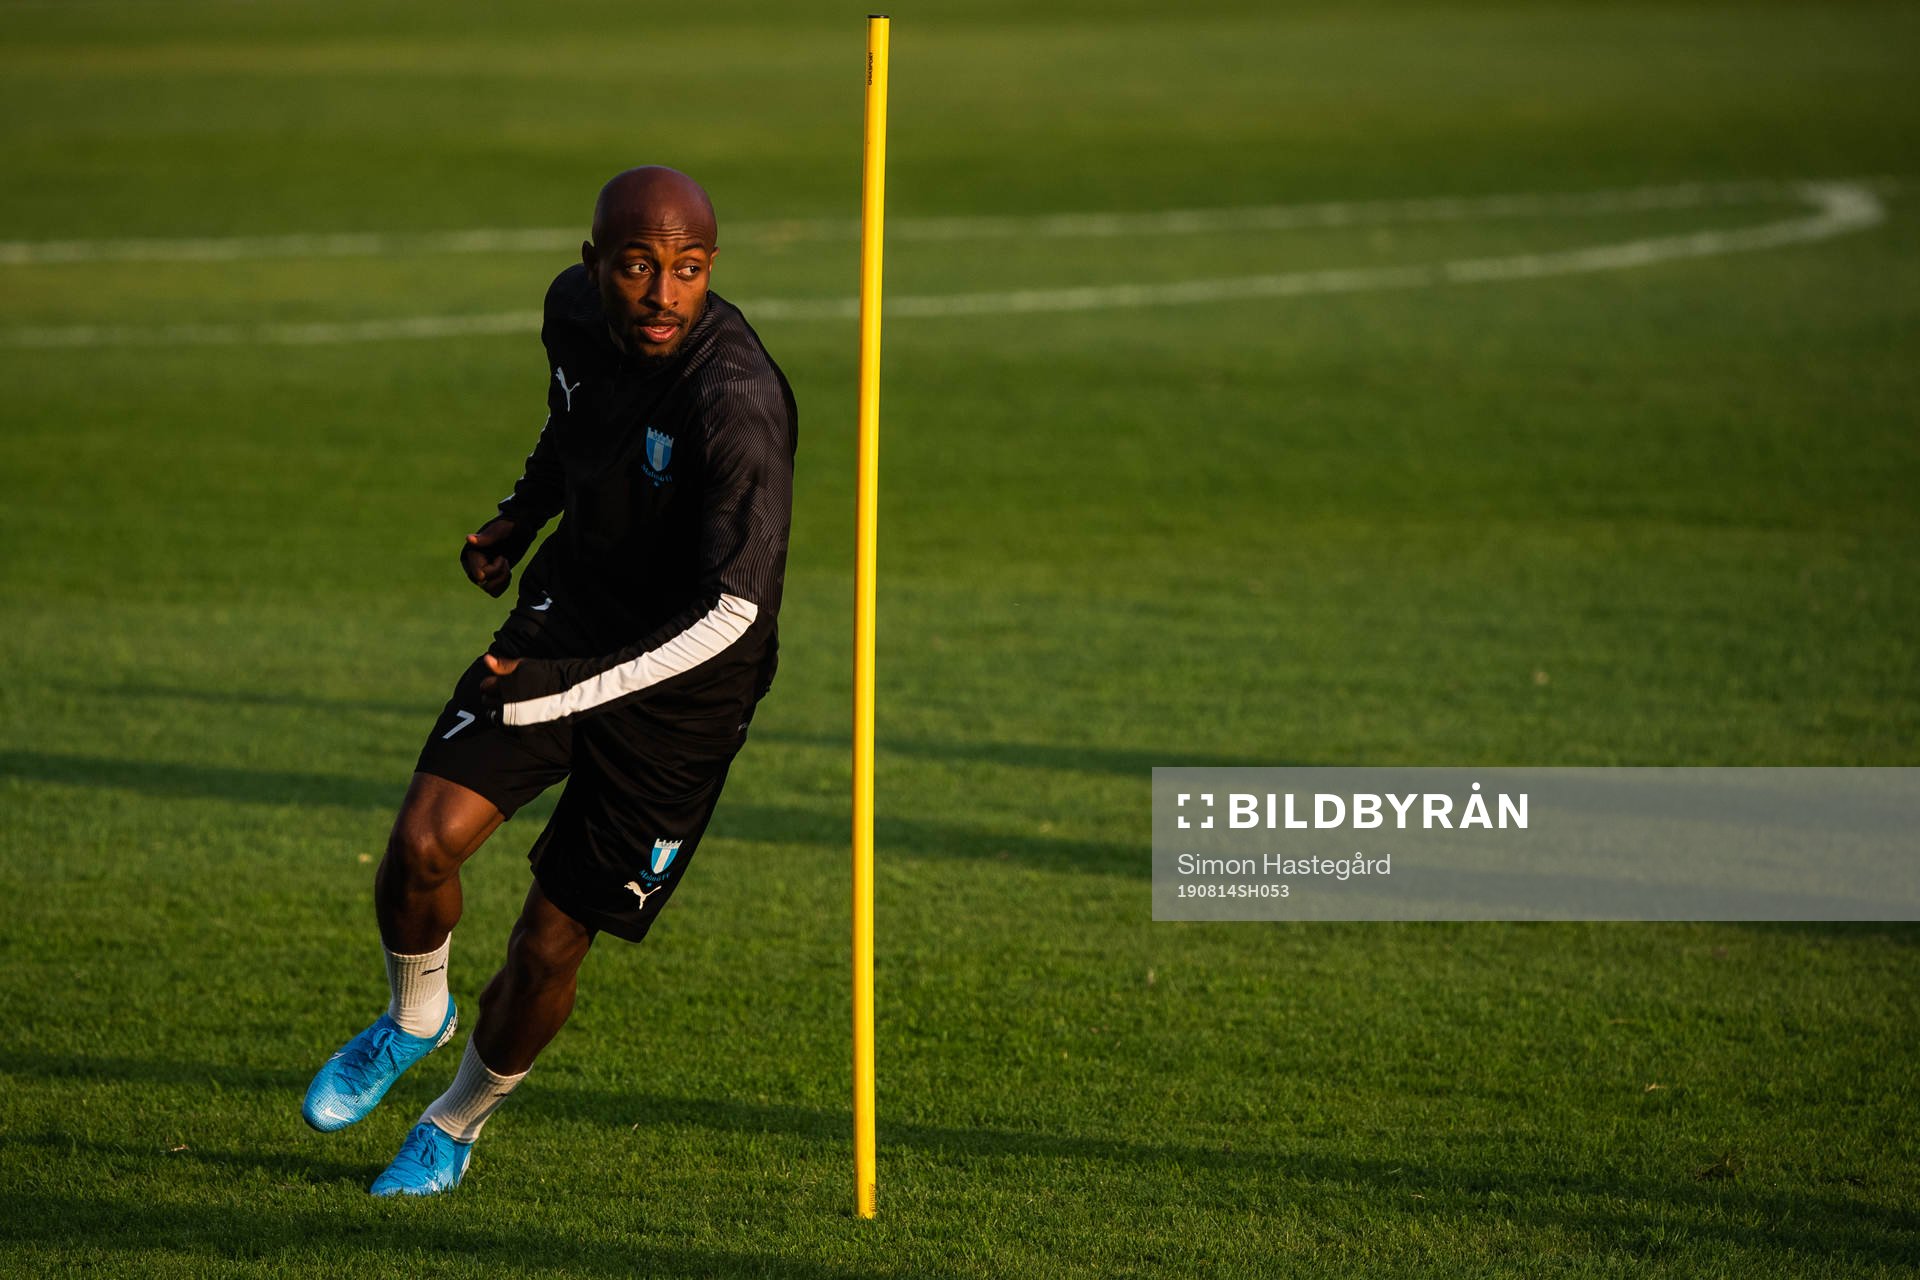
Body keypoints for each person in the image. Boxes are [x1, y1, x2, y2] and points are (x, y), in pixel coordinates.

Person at [302, 166, 798, 1196]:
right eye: (638, 267)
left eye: (689, 270)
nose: (663, 294)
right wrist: (523, 513)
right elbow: (576, 421)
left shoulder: (736, 402)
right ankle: (415, 1015)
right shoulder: (572, 313)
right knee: (420, 845)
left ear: (713, 268)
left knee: (548, 942)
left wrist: (554, 687)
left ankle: (454, 1123)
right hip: (573, 617)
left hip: (684, 696)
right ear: (593, 266)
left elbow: (733, 615)